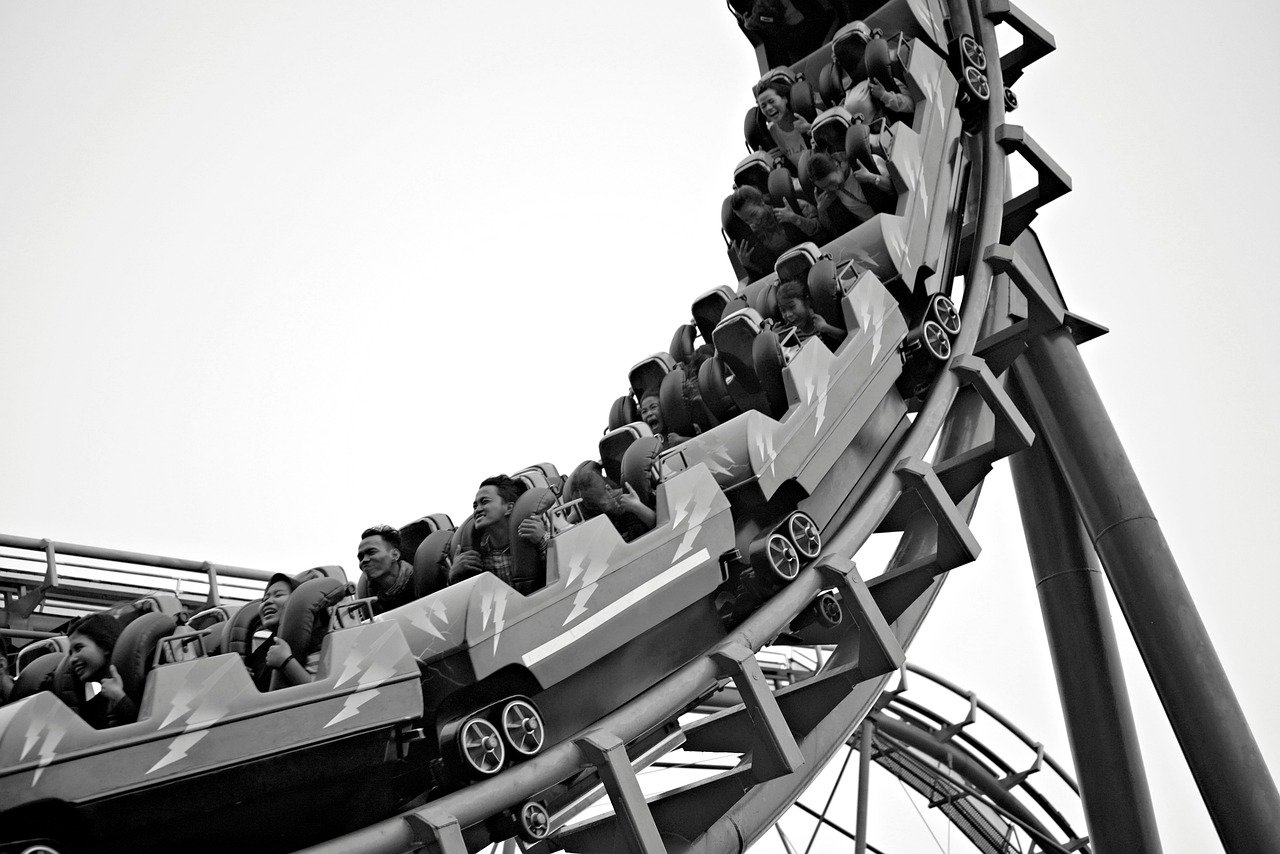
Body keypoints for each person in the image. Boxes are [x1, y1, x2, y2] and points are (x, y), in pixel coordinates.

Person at [449, 475, 550, 594]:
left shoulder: (533, 535)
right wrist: (453, 576)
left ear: (509, 508)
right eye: (475, 506)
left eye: (484, 502)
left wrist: (542, 539)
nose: (477, 510)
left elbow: (564, 570)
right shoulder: (476, 554)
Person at [729, 184, 820, 281]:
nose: (754, 222)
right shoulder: (752, 236)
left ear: (761, 202)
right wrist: (748, 264)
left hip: (814, 260)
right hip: (787, 276)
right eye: (747, 221)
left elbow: (820, 232)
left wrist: (794, 218)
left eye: (754, 214)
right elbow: (767, 274)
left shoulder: (790, 206)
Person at [65, 613, 137, 728]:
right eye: (70, 653)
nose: (72, 659)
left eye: (78, 648)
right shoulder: (91, 697)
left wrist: (119, 698)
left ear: (104, 646)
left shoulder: (139, 683)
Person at [242, 573, 311, 691]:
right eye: (265, 599)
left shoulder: (317, 637)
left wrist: (286, 661)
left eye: (278, 595)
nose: (268, 602)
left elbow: (324, 690)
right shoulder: (261, 652)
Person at [807, 152, 893, 235]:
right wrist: (821, 210)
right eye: (824, 187)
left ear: (836, 165)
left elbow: (897, 188)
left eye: (831, 183)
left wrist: (871, 177)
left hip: (892, 215)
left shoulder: (865, 162)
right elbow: (831, 232)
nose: (831, 188)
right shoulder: (829, 195)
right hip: (872, 230)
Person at [566, 462, 656, 542]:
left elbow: (665, 528)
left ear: (608, 488)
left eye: (603, 503)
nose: (606, 508)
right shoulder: (594, 519)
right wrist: (571, 520)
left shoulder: (634, 495)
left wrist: (637, 507)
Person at [753, 73, 811, 172]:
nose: (769, 108)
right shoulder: (771, 133)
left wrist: (811, 128)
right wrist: (766, 159)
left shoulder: (809, 115)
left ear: (784, 99)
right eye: (763, 106)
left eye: (771, 101)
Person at [357, 524, 418, 614]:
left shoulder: (420, 582)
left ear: (395, 555)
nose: (363, 561)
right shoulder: (371, 603)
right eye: (361, 557)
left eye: (371, 552)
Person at [777, 278, 846, 350]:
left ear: (806, 302)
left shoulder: (823, 317)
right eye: (783, 310)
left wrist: (826, 328)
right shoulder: (793, 331)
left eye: (791, 307)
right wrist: (776, 340)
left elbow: (850, 337)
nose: (788, 315)